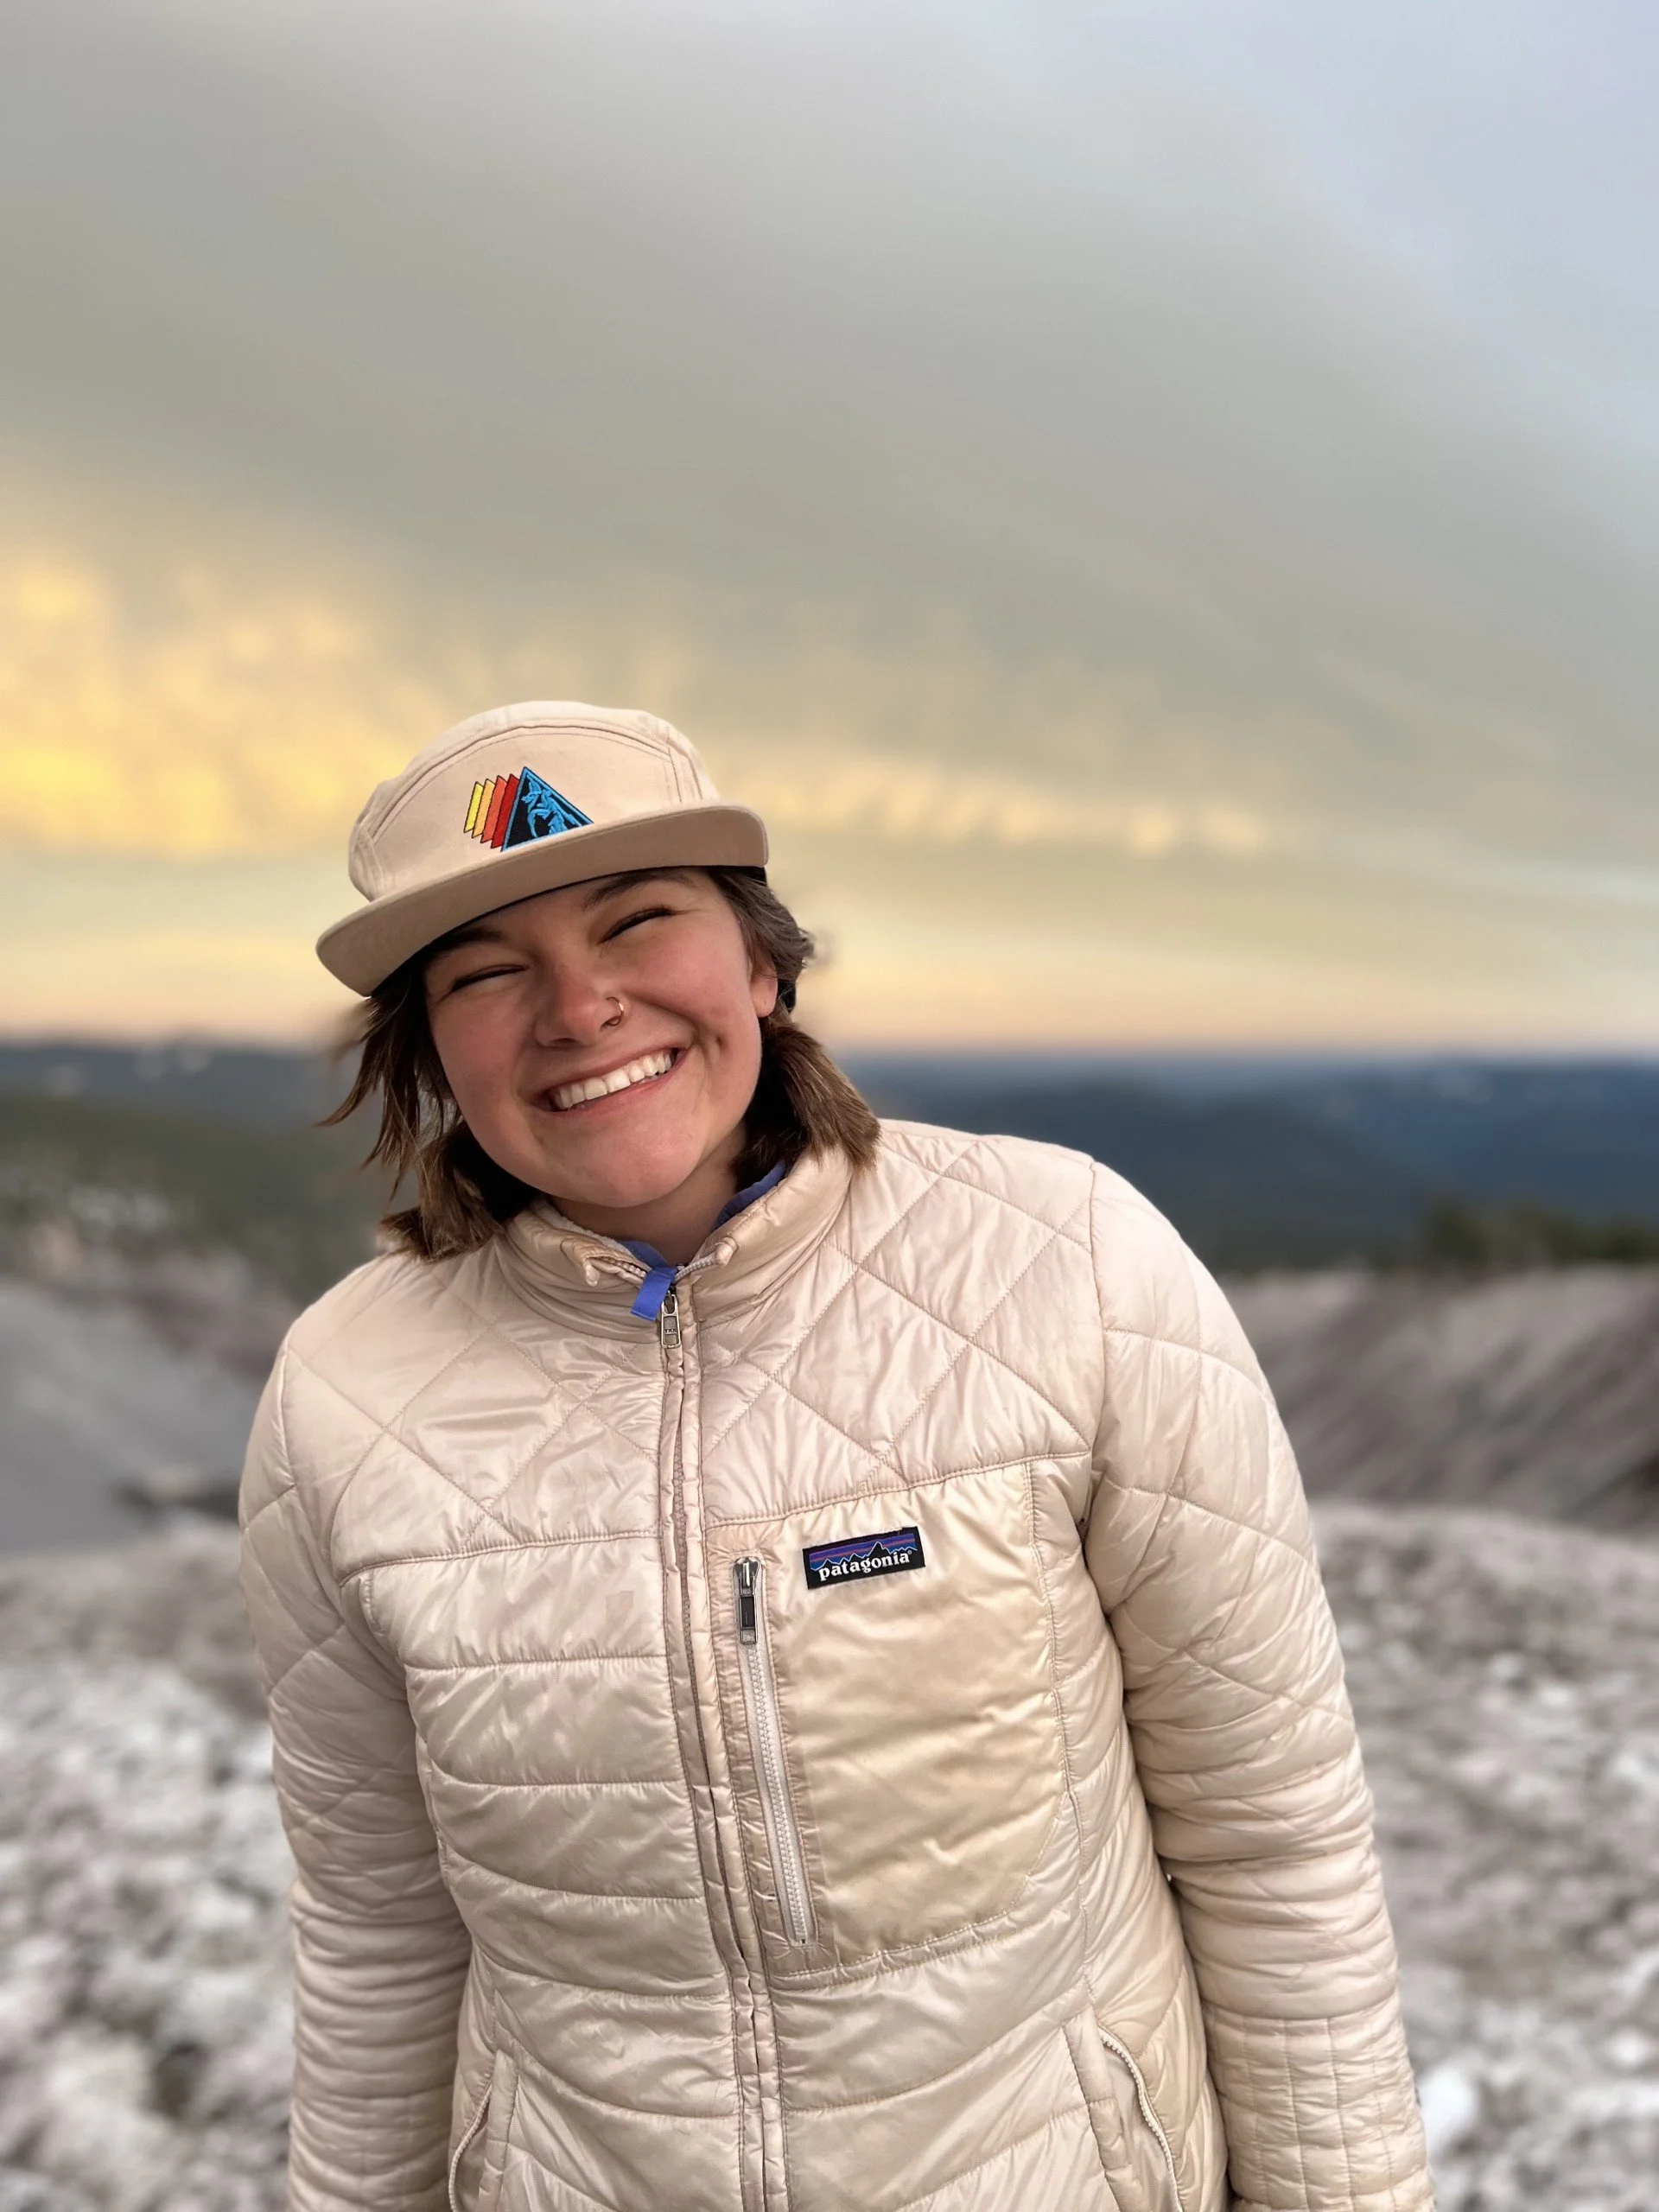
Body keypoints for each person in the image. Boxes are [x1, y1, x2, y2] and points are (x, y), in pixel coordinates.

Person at [241, 701, 1431, 2212]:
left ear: (762, 959)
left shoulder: (1066, 1263)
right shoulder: (345, 1394)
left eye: (637, 922)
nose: (580, 1006)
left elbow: (1274, 1848)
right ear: (430, 1055)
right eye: (486, 971)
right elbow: (379, 1933)